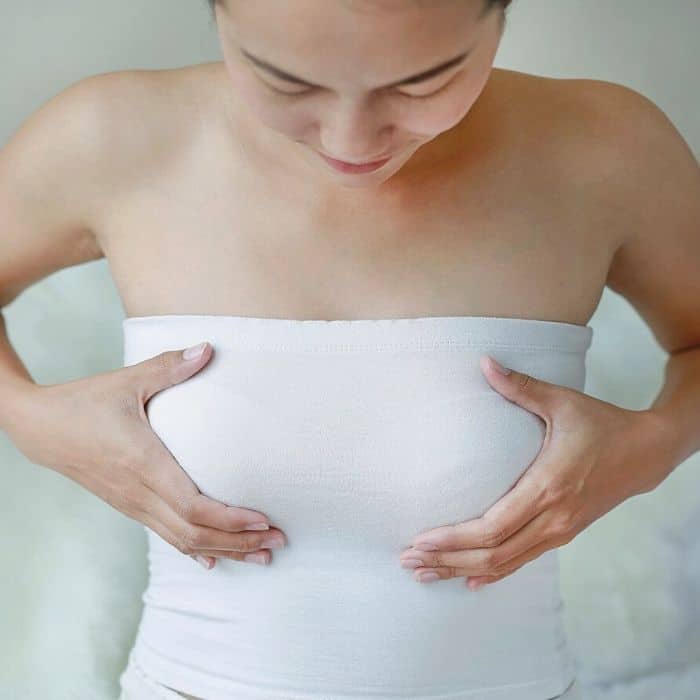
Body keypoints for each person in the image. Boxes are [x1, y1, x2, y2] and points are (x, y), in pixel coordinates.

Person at [1, 0, 699, 698]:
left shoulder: (607, 151)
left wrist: (653, 445)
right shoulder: (111, 139)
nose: (352, 139)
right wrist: (35, 422)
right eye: (286, 82)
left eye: (422, 83)